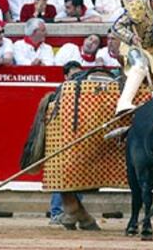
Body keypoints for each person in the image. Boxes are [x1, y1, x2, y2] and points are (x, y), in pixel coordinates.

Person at [48, 60, 84, 225]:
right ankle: (57, 212)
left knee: (80, 178)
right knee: (61, 176)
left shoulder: (84, 92)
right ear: (65, 77)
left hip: (79, 141)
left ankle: (76, 212)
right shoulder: (60, 92)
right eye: (73, 76)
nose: (77, 79)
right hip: (62, 141)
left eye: (80, 75)